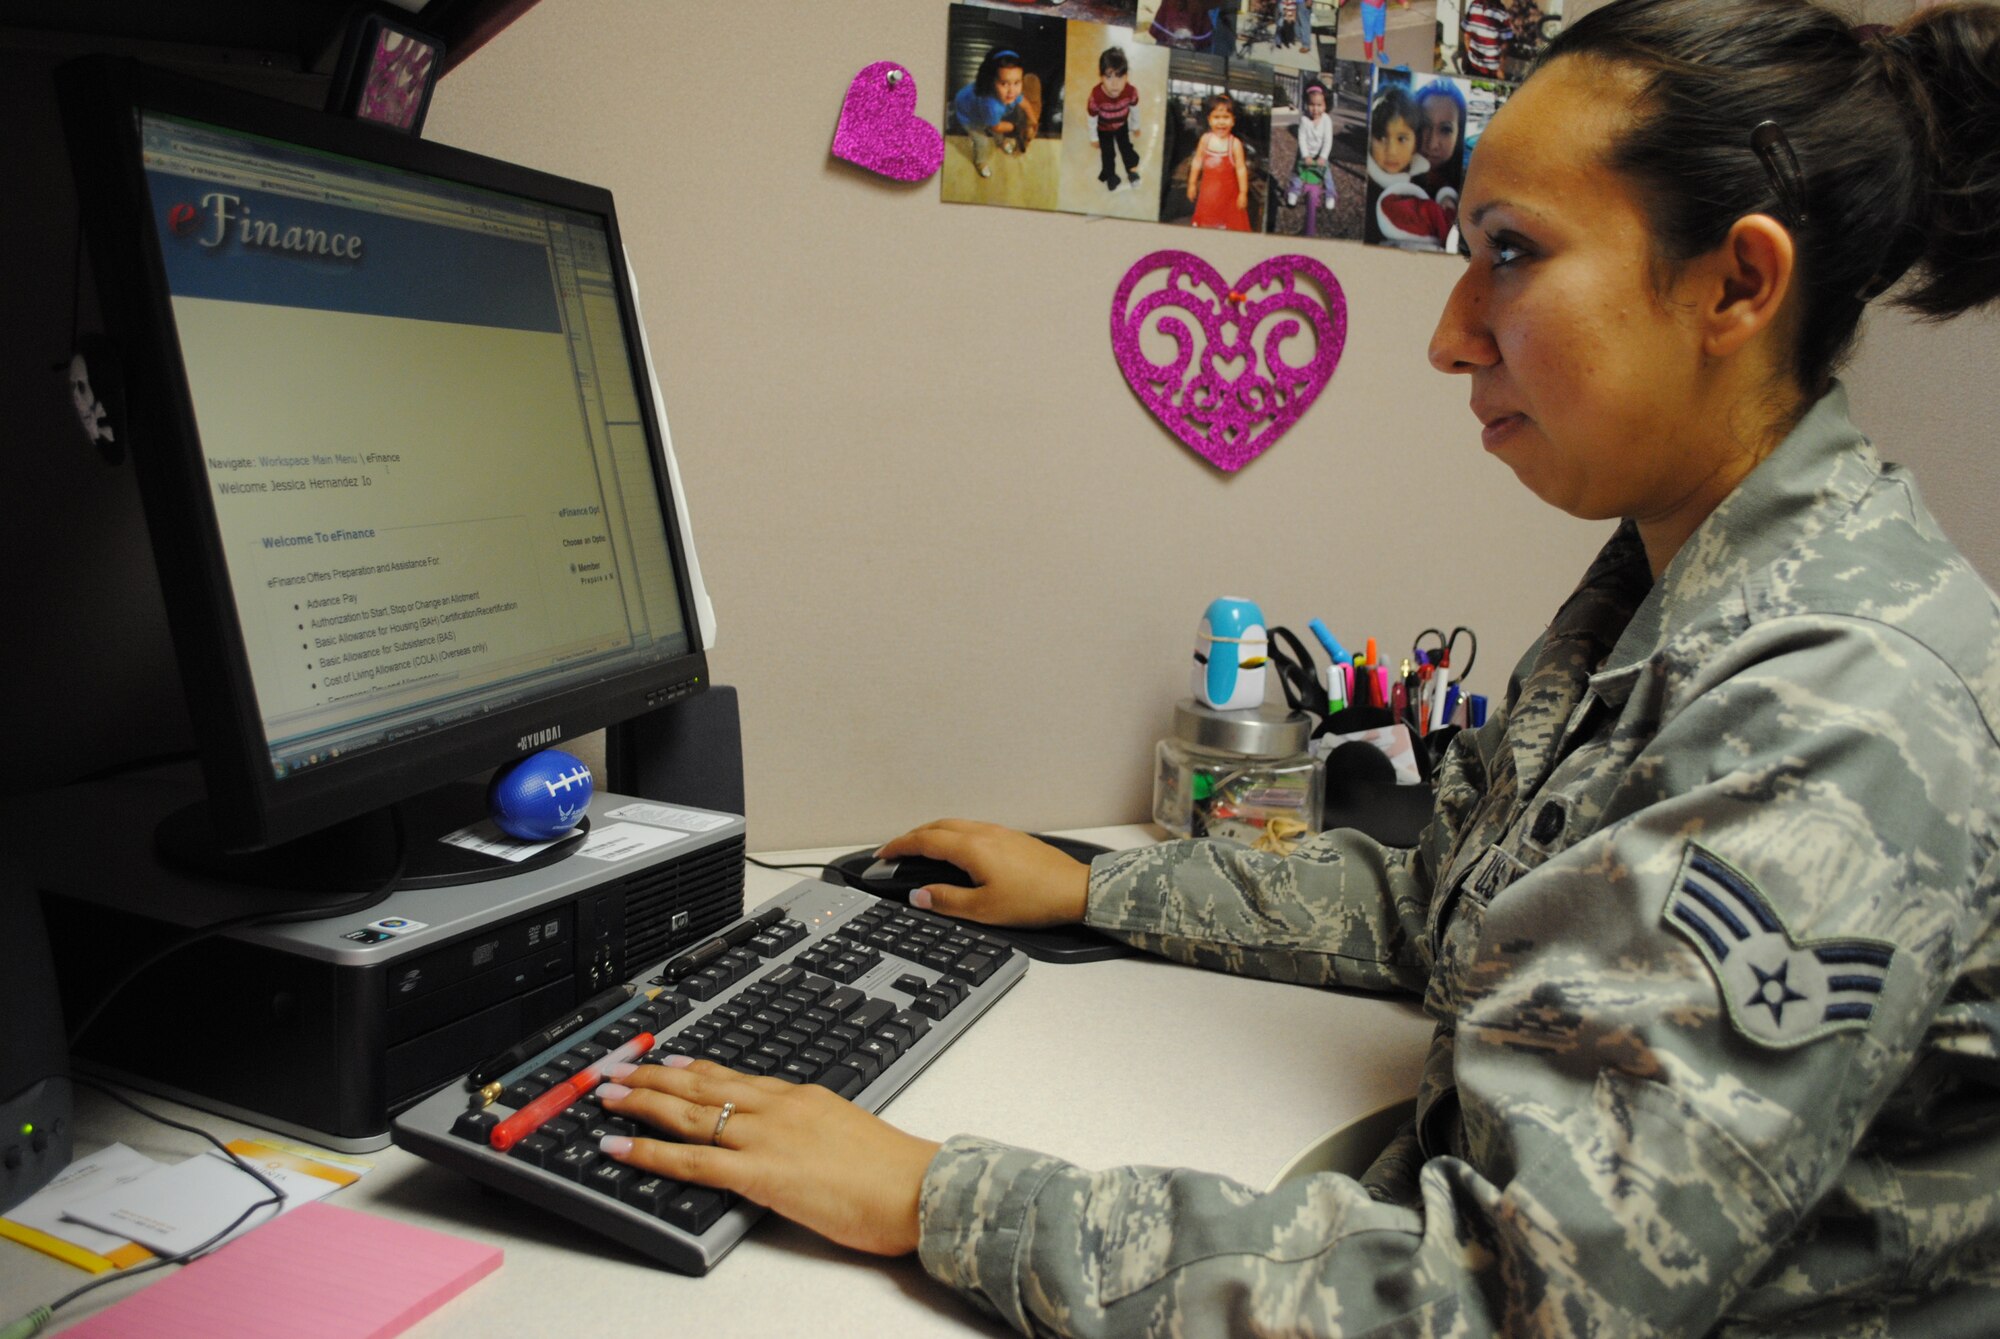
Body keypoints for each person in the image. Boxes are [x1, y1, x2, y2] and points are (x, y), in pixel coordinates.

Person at [593, 0, 2000, 1332]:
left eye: (1511, 251)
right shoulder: (1669, 589)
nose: (1450, 334)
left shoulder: (1837, 708)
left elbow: (1514, 1303)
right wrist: (1096, 881)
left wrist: (929, 1192)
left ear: (1736, 284)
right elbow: (1454, 901)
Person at [1366, 83, 1456, 249]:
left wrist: (1446, 197)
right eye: (1381, 137)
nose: (1391, 152)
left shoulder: (1427, 178)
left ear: (1416, 141)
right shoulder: (1368, 189)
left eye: (1401, 139)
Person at [950, 48, 1025, 180]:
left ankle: (1000, 141)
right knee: (982, 141)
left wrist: (1032, 117)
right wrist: (1015, 127)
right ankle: (980, 162)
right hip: (969, 117)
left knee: (996, 125)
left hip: (983, 113)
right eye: (1004, 83)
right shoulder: (991, 105)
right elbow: (995, 127)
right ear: (991, 82)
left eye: (1016, 82)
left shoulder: (1009, 94)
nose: (1012, 90)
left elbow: (1022, 99)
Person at [1185, 92, 1252, 231]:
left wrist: (1243, 192)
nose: (1221, 122)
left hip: (1229, 198)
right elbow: (1197, 161)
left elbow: (1241, 169)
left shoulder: (1234, 144)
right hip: (1207, 197)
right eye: (1216, 117)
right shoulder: (1205, 139)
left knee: (1228, 226)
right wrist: (1192, 183)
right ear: (1209, 120)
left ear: (1233, 120)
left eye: (1226, 117)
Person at [1088, 46, 1143, 191]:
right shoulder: (1096, 96)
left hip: (1121, 125)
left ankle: (1132, 171)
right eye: (1109, 76)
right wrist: (1093, 137)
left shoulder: (1130, 92)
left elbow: (1135, 109)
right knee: (1108, 153)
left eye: (1119, 76)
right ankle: (1111, 176)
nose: (1114, 83)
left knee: (1126, 148)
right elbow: (1092, 117)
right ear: (1101, 77)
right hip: (1103, 128)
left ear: (1126, 77)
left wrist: (1135, 126)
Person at [1286, 80, 1338, 235]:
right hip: (1306, 152)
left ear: (1325, 105)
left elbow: (1328, 140)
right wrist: (1306, 155)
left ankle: (1330, 194)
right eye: (1312, 105)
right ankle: (1294, 191)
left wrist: (1322, 157)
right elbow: (1301, 138)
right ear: (1307, 105)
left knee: (1327, 173)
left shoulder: (1327, 120)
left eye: (1319, 105)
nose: (1315, 109)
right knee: (1298, 171)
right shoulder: (1304, 120)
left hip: (1320, 153)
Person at [1460, 0, 1514, 76]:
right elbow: (1467, 34)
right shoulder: (1474, 5)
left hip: (1492, 70)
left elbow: (1505, 44)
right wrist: (1466, 56)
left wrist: (1501, 68)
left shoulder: (1502, 13)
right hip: (1473, 65)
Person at [1358, 0, 1411, 64]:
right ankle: (1369, 59)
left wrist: (1403, 1)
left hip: (1381, 6)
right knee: (1369, 35)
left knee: (1380, 31)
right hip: (1368, 8)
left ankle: (1380, 51)